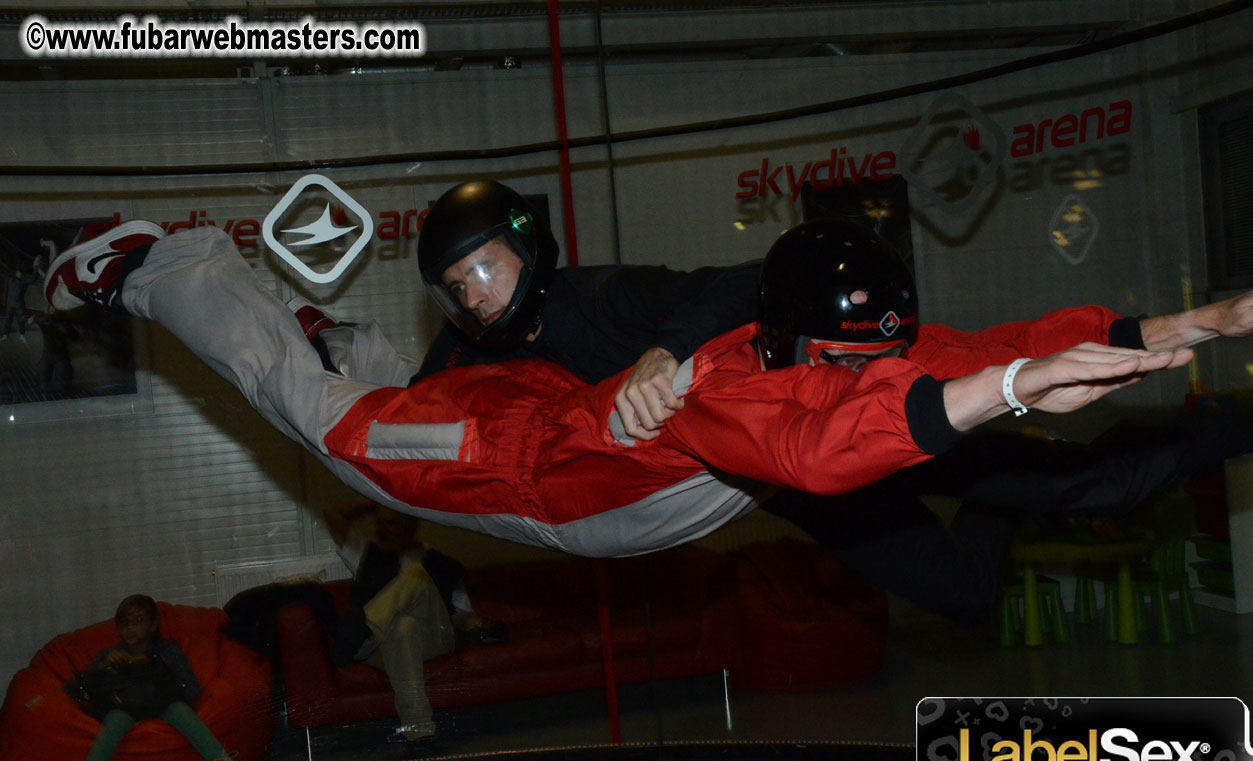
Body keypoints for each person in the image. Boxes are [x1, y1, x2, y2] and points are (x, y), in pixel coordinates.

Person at [43, 219, 1191, 559]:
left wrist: (1155, 327)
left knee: (380, 394)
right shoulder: (730, 395)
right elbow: (821, 453)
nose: (868, 376)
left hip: (546, 425)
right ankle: (159, 264)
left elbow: (951, 348)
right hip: (516, 464)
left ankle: (326, 338)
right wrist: (1015, 386)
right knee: (324, 421)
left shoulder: (823, 350)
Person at [411, 182, 1253, 621]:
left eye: (484, 269)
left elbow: (746, 281)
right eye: (457, 286)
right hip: (789, 472)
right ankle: (1000, 495)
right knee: (963, 595)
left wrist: (660, 355)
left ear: (527, 246)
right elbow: (411, 414)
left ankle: (1235, 419)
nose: (475, 295)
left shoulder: (604, 297)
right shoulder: (470, 350)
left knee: (1103, 484)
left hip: (842, 418)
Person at [321, 500, 504, 743]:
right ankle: (420, 734)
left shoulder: (442, 564)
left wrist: (481, 627)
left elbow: (461, 615)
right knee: (403, 628)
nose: (382, 530)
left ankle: (367, 627)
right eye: (379, 523)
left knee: (415, 579)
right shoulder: (366, 554)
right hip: (382, 648)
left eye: (391, 523)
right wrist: (377, 501)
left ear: (410, 526)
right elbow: (332, 513)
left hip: (431, 640)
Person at [63, 594, 241, 761]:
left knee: (180, 710)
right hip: (125, 707)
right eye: (125, 623)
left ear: (153, 624)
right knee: (113, 721)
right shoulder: (110, 654)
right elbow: (73, 688)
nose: (130, 629)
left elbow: (190, 685)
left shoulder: (167, 650)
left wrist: (151, 664)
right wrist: (102, 667)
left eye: (138, 621)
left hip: (162, 703)